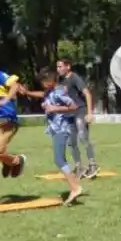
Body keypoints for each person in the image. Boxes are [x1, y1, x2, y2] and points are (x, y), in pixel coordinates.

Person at [36, 68, 83, 204]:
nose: (43, 84)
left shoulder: (59, 92)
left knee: (59, 159)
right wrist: (46, 105)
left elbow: (74, 107)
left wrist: (55, 109)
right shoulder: (50, 93)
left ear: (52, 80)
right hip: (56, 128)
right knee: (59, 158)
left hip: (62, 128)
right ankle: (75, 186)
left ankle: (75, 187)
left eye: (44, 81)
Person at [57, 59, 99, 179]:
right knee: (71, 143)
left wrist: (90, 113)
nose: (58, 69)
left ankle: (93, 165)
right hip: (68, 114)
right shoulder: (60, 80)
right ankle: (79, 167)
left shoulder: (74, 77)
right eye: (57, 67)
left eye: (60, 66)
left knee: (83, 137)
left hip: (80, 111)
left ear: (68, 67)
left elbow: (87, 94)